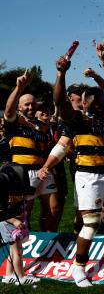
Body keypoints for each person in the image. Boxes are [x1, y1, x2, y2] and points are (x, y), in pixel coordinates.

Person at [51, 51, 104, 287]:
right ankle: (79, 268)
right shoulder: (76, 119)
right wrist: (61, 73)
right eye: (91, 97)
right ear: (83, 102)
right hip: (88, 177)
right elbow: (59, 101)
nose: (96, 99)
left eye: (98, 96)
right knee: (91, 223)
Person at [3, 70, 56, 224]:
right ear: (19, 107)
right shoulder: (14, 122)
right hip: (22, 172)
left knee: (54, 209)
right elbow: (8, 109)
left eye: (33, 104)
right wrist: (19, 87)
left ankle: (50, 240)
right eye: (27, 104)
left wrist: (47, 166)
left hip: (43, 171)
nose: (31, 107)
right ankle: (24, 241)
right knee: (24, 212)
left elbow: (47, 148)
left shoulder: (42, 126)